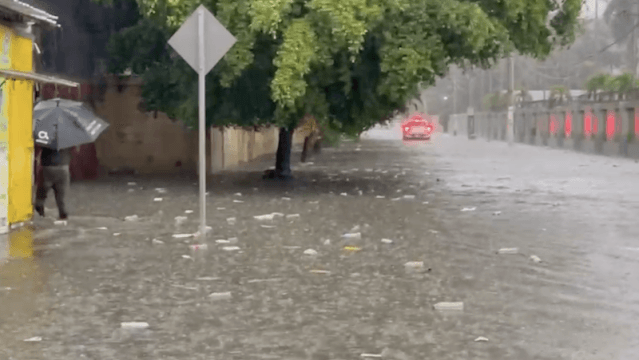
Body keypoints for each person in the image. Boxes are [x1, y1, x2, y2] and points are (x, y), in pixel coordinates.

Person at [34, 146, 71, 220]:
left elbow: (38, 148)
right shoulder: (69, 137)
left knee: (42, 193)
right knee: (61, 195)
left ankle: (40, 210)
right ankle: (62, 214)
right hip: (63, 167)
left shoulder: (46, 136)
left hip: (48, 166)